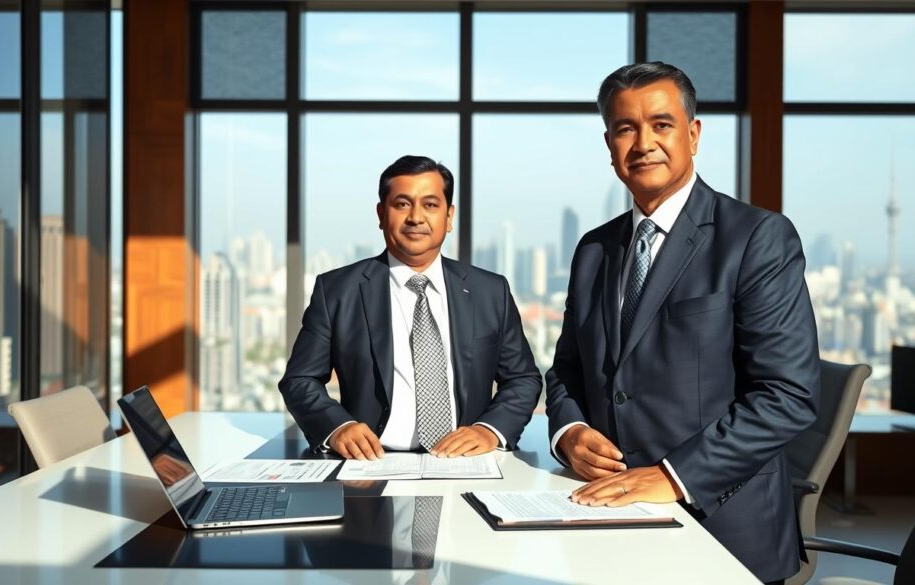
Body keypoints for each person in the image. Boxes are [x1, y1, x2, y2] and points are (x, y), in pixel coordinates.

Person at [545, 62, 820, 584]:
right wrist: (570, 431)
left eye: (661, 124)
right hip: (609, 516)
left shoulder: (756, 238)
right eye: (626, 128)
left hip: (721, 524)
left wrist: (675, 477)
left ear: (693, 135)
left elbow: (788, 393)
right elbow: (566, 370)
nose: (643, 142)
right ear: (609, 145)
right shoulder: (594, 250)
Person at [280, 155, 542, 460]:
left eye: (430, 205)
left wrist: (488, 430)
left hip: (469, 463)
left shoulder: (490, 291)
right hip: (371, 465)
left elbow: (522, 379)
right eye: (402, 204)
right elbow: (300, 380)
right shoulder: (338, 291)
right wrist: (338, 426)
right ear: (381, 214)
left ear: (449, 216)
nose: (416, 217)